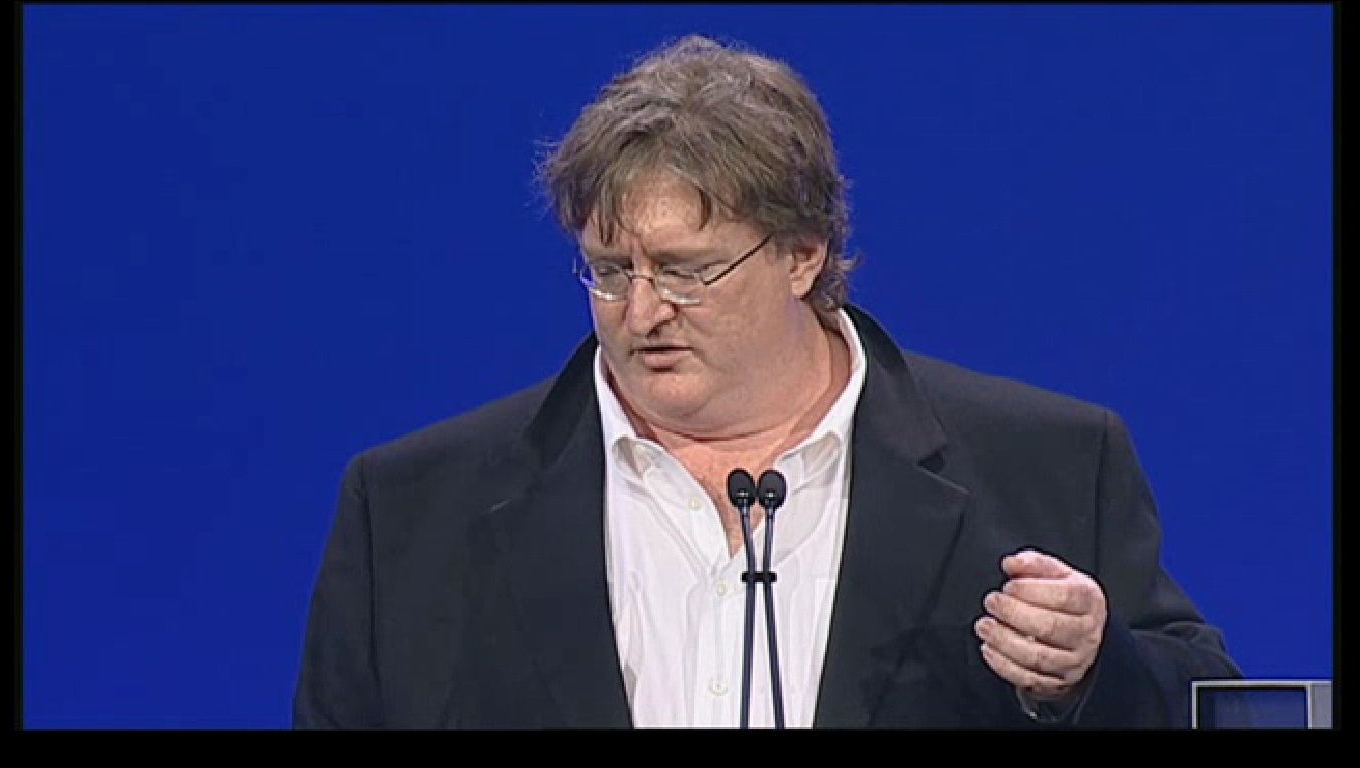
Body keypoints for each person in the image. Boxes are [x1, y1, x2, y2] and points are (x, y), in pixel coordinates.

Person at [293, 34, 1240, 729]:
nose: (642, 312)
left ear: (802, 254)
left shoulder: (1046, 464)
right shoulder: (413, 511)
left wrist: (1090, 674)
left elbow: (1210, 705)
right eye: (611, 271)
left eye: (687, 271)